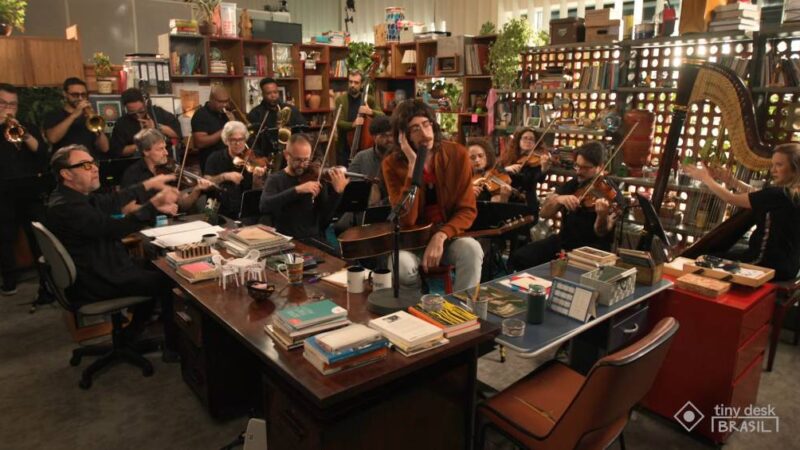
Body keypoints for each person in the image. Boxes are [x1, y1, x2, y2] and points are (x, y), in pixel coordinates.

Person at [45, 144, 179, 342]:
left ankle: (135, 329)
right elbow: (113, 229)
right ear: (66, 173)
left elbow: (110, 200)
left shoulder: (67, 197)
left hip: (98, 269)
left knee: (150, 267)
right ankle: (172, 344)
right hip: (98, 280)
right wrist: (154, 205)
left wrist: (149, 184)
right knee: (171, 281)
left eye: (93, 163)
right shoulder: (67, 207)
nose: (95, 168)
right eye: (86, 165)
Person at [382, 99, 482, 292]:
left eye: (426, 124)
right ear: (403, 137)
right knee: (399, 264)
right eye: (415, 129)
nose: (425, 133)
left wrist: (441, 235)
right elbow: (405, 220)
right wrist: (413, 166)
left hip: (447, 237)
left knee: (472, 249)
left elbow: (467, 209)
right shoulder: (391, 164)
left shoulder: (457, 154)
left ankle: (463, 309)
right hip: (413, 241)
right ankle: (416, 307)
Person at [682, 143, 800, 281]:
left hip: (766, 264)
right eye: (773, 165)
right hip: (789, 265)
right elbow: (758, 195)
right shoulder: (791, 193)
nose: (773, 170)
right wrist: (731, 181)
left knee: (700, 259)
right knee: (724, 253)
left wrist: (706, 178)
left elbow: (731, 198)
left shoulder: (778, 194)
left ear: (795, 169)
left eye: (779, 165)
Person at [509, 141, 620, 271]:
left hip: (591, 250)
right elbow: (544, 213)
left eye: (585, 168)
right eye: (577, 166)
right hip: (564, 241)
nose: (579, 172)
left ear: (600, 167)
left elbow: (602, 232)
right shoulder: (573, 184)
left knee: (568, 272)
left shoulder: (612, 195)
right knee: (520, 257)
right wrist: (559, 199)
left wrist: (601, 215)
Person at [0, 83, 49, 296]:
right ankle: (9, 282)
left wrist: (26, 135)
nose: (8, 108)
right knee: (5, 238)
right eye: (3, 103)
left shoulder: (26, 126)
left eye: (12, 104)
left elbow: (42, 154)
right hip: (2, 193)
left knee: (39, 237)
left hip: (30, 192)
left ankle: (47, 282)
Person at [259, 134, 348, 241]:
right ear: (286, 155)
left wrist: (337, 193)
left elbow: (324, 219)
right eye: (298, 160)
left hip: (314, 238)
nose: (302, 165)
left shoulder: (315, 177)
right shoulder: (275, 179)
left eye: (306, 160)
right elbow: (264, 206)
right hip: (287, 239)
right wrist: (297, 190)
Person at [120, 128, 213, 213]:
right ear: (146, 151)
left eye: (165, 147)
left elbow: (183, 205)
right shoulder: (132, 174)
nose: (166, 152)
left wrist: (196, 190)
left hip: (171, 223)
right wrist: (158, 208)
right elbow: (127, 208)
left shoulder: (170, 169)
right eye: (160, 149)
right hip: (145, 225)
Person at [204, 121, 265, 219]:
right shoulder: (214, 157)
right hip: (217, 210)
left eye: (241, 139)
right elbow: (205, 184)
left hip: (245, 211)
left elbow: (256, 192)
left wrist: (256, 180)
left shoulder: (252, 159)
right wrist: (224, 176)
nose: (238, 143)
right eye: (233, 140)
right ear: (226, 140)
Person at [43, 78, 110, 159]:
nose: (80, 98)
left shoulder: (90, 116)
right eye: (75, 95)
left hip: (88, 163)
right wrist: (74, 115)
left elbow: (105, 148)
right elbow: (52, 138)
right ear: (65, 94)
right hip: (65, 163)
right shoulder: (53, 114)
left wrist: (97, 127)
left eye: (83, 94)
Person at [110, 88, 182, 158]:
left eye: (141, 111)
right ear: (125, 108)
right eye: (132, 113)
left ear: (145, 103)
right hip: (137, 164)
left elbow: (177, 134)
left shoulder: (158, 113)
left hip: (164, 159)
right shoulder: (122, 123)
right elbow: (118, 151)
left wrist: (157, 127)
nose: (138, 115)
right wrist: (142, 145)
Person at [498, 127, 552, 218]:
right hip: (507, 199)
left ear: (535, 143)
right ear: (518, 140)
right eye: (525, 138)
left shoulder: (537, 161)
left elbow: (538, 179)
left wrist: (544, 168)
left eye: (532, 139)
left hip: (527, 201)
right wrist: (506, 169)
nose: (528, 141)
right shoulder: (508, 157)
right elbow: (496, 172)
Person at [246, 77, 306, 158]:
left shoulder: (291, 109)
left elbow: (303, 130)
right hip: (267, 155)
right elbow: (252, 141)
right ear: (263, 94)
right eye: (269, 93)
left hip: (291, 154)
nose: (273, 96)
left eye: (275, 92)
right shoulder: (255, 113)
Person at [334, 70, 384, 166]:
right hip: (345, 147)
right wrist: (353, 124)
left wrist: (370, 111)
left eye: (356, 82)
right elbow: (339, 122)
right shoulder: (340, 100)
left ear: (361, 85)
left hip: (365, 146)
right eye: (350, 82)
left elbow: (382, 116)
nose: (352, 85)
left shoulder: (368, 99)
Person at [191, 85, 231, 172]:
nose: (224, 105)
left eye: (226, 101)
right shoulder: (201, 114)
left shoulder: (226, 113)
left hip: (228, 161)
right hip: (211, 164)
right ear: (211, 99)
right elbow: (199, 143)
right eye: (220, 102)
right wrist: (224, 130)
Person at [469, 137, 513, 203]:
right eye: (472, 157)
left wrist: (504, 197)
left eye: (480, 156)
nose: (477, 160)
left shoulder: (498, 170)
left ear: (487, 156)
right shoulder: (462, 177)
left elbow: (497, 210)